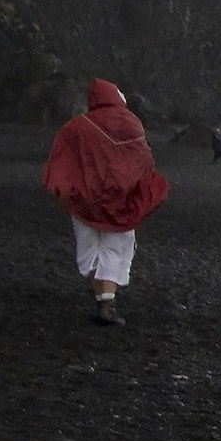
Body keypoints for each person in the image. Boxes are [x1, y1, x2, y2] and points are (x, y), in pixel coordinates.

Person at [42, 80, 170, 326]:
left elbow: (62, 158)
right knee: (115, 248)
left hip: (85, 199)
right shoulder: (131, 123)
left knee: (89, 249)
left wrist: (69, 189)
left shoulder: (76, 126)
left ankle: (101, 299)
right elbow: (142, 159)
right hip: (121, 197)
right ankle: (107, 304)